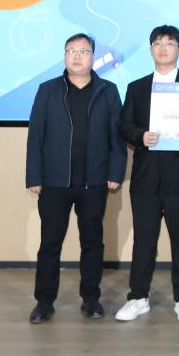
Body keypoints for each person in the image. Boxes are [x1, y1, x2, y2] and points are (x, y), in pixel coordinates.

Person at [24, 33, 126, 324]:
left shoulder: (108, 90)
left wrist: (115, 172)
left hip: (94, 182)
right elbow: (36, 136)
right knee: (50, 244)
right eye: (72, 51)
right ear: (65, 56)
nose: (77, 56)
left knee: (92, 242)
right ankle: (44, 302)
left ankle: (91, 298)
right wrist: (34, 176)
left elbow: (116, 136)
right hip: (54, 182)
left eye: (83, 51)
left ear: (93, 57)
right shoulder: (48, 90)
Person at [115, 25, 179, 324]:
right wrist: (141, 136)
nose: (163, 48)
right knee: (144, 241)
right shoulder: (137, 87)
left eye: (170, 43)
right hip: (146, 177)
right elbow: (124, 125)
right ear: (151, 49)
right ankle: (138, 297)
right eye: (157, 43)